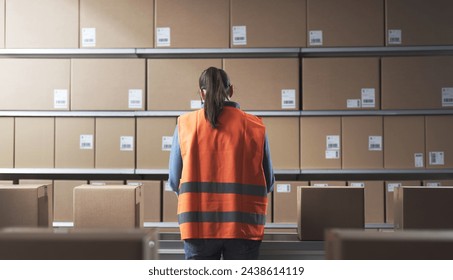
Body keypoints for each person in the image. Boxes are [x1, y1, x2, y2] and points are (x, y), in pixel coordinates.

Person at [168, 66, 274, 260]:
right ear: (231, 90)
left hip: (197, 226)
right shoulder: (255, 126)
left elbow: (174, 181)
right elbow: (269, 181)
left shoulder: (185, 124)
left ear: (201, 93)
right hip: (243, 227)